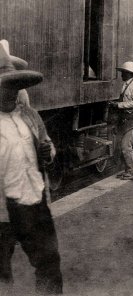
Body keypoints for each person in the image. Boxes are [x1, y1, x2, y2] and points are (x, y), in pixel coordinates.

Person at [0, 39, 63, 293]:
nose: (13, 92)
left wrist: (47, 152)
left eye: (16, 86)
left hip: (36, 205)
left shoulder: (30, 115)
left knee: (49, 264)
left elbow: (47, 146)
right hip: (3, 213)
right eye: (6, 87)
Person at [108, 61, 133, 181]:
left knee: (126, 146)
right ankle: (127, 171)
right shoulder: (127, 84)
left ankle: (132, 172)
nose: (121, 75)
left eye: (123, 72)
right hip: (126, 119)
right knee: (123, 145)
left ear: (128, 73)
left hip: (131, 119)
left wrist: (119, 105)